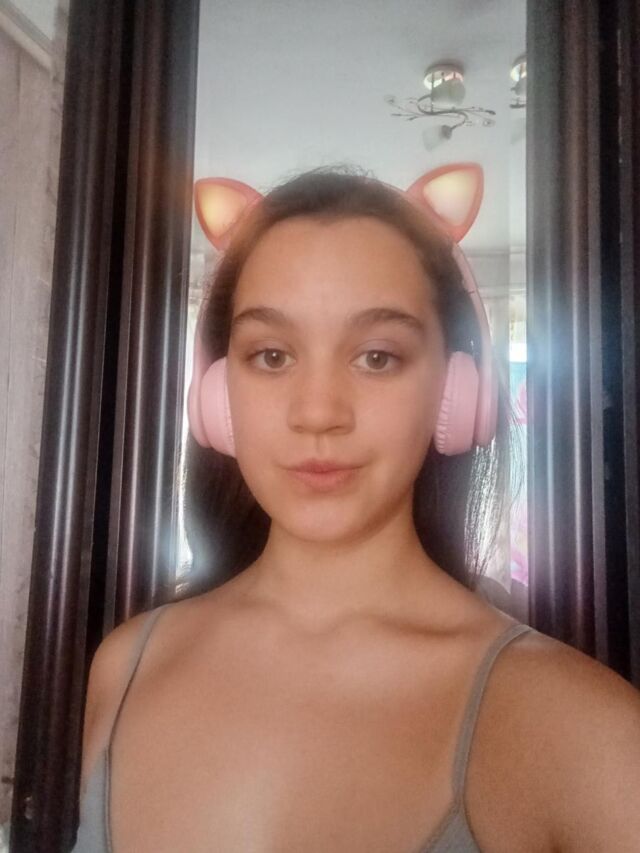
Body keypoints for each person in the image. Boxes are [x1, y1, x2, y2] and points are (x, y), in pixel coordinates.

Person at [73, 169, 640, 852]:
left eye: (377, 357)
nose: (318, 412)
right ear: (219, 394)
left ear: (456, 388)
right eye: (271, 355)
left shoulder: (573, 724)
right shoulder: (126, 665)